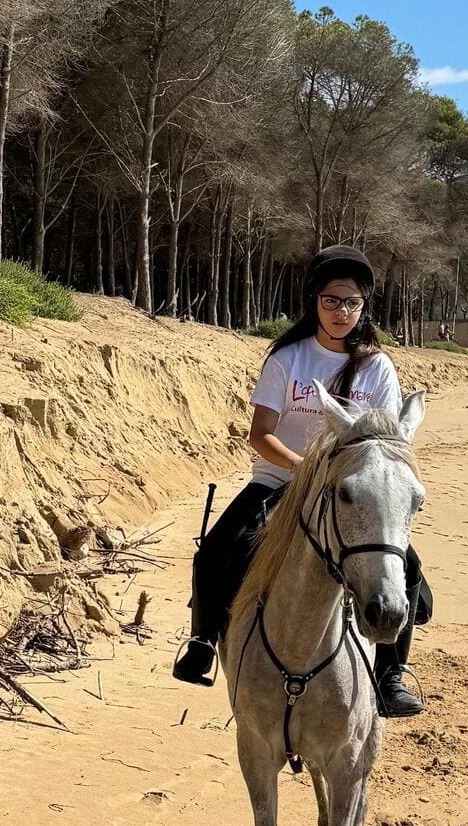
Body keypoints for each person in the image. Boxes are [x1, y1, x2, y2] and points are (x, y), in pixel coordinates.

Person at [173, 247, 431, 718]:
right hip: (280, 482)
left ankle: (391, 672)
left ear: (363, 306)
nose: (341, 312)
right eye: (332, 301)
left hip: (352, 490)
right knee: (214, 552)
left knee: (405, 565)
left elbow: (389, 442)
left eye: (351, 303)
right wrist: (305, 470)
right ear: (315, 300)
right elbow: (261, 434)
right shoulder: (288, 359)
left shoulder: (379, 367)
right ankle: (202, 642)